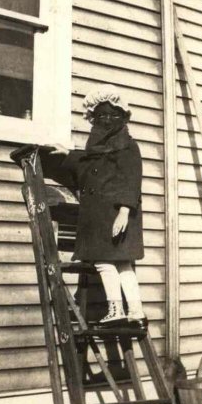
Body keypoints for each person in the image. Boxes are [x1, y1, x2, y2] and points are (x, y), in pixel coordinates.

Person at [45, 84, 147, 328]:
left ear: (122, 117)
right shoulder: (99, 146)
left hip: (115, 214)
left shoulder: (127, 146)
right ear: (94, 118)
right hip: (101, 215)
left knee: (105, 261)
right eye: (101, 116)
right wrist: (68, 153)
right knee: (121, 263)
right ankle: (135, 312)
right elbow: (88, 162)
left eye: (113, 115)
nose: (107, 120)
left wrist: (124, 212)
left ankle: (117, 310)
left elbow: (132, 180)